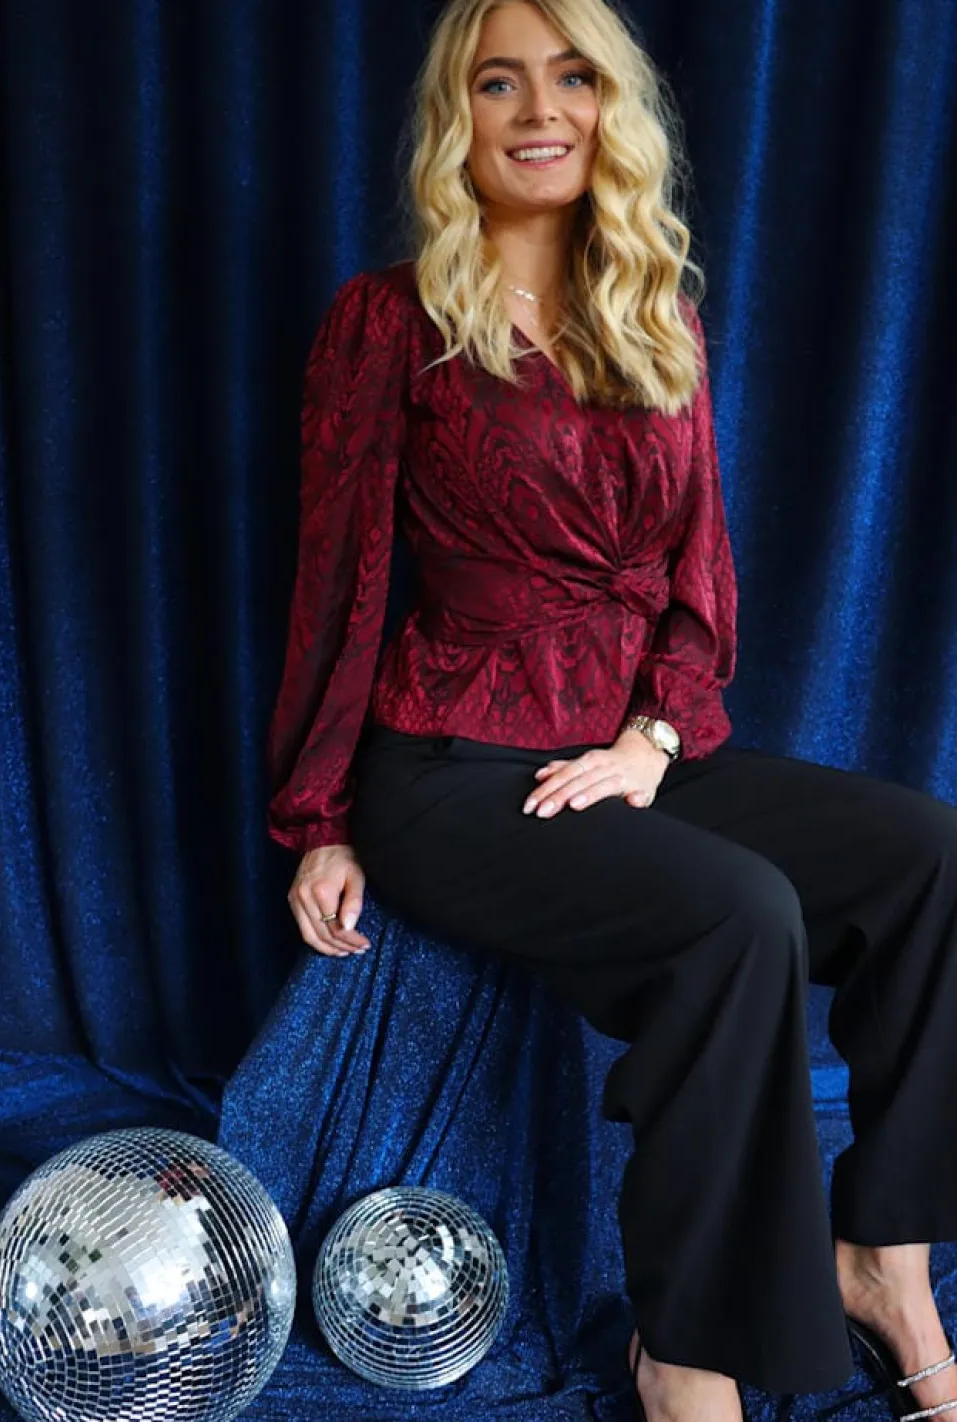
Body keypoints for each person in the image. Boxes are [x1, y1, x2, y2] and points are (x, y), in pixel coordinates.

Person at [264, 1, 957, 1418]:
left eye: (573, 76)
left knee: (928, 856)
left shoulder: (659, 315)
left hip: (628, 748)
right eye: (500, 82)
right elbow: (340, 580)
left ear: (609, 106)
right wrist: (320, 816)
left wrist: (651, 741)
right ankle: (682, 1349)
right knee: (736, 915)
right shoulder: (388, 320)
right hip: (452, 762)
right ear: (458, 118)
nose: (540, 110)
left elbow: (702, 582)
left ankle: (882, 1257)